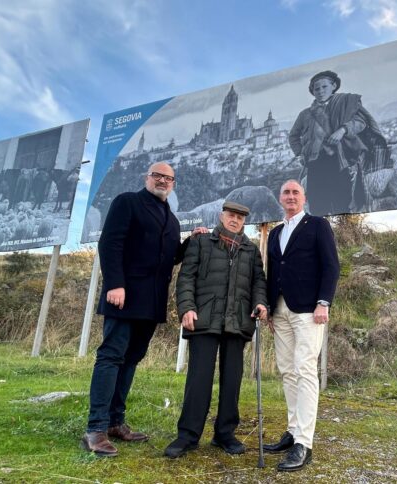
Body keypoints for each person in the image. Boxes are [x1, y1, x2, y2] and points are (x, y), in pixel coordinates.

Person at [81, 162, 192, 457]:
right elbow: (110, 243)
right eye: (158, 176)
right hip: (124, 296)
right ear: (147, 178)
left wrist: (192, 243)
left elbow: (170, 257)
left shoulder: (172, 220)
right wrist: (115, 284)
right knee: (111, 357)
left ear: (173, 184)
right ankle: (96, 428)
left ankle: (116, 422)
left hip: (151, 303)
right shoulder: (127, 202)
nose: (163, 181)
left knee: (131, 360)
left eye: (169, 178)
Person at [164, 201, 268, 459]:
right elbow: (186, 277)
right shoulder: (201, 242)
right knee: (198, 379)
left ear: (244, 222)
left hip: (237, 321)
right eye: (231, 215)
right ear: (222, 216)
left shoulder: (251, 250)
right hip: (204, 318)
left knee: (232, 380)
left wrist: (260, 302)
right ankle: (187, 436)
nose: (235, 220)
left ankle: (225, 434)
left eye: (240, 218)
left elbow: (259, 283)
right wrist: (186, 307)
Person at [263, 180, 340, 472]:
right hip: (280, 311)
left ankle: (304, 444)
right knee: (287, 370)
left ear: (304, 198)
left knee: (305, 369)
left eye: (296, 192)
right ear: (280, 199)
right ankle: (293, 430)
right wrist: (270, 309)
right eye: (286, 192)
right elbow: (273, 272)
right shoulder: (275, 233)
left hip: (309, 309)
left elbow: (331, 266)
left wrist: (324, 302)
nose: (291, 196)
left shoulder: (318, 225)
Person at [288, 70, 388, 216]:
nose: (320, 91)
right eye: (316, 89)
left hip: (340, 162)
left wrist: (343, 130)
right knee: (317, 207)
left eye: (324, 87)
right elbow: (293, 136)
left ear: (333, 86)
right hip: (315, 165)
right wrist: (300, 154)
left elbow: (360, 122)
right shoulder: (305, 114)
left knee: (342, 204)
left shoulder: (345, 105)